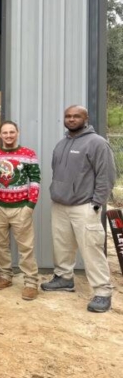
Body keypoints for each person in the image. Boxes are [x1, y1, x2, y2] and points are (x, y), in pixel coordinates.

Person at [41, 105, 116, 313]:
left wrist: (96, 203)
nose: (71, 119)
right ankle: (64, 278)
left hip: (84, 206)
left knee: (92, 249)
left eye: (76, 116)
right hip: (60, 205)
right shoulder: (62, 143)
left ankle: (102, 291)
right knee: (62, 246)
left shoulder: (97, 143)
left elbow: (106, 176)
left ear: (86, 118)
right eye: (68, 116)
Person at [0, 121, 41, 301]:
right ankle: (5, 276)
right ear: (0, 135)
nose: (8, 135)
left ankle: (31, 282)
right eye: (5, 132)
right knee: (0, 245)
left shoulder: (28, 154)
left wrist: (30, 205)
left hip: (21, 207)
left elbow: (35, 180)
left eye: (11, 132)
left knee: (26, 247)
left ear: (17, 133)